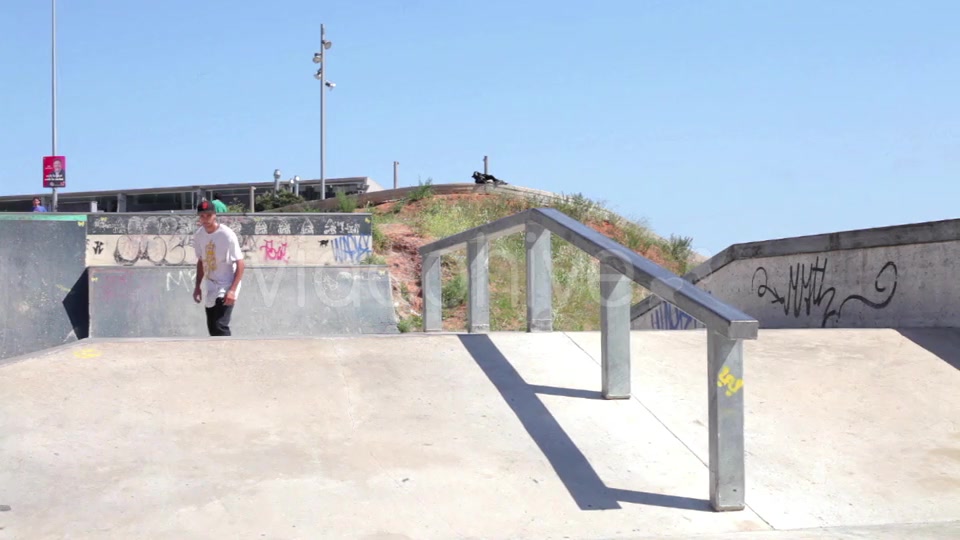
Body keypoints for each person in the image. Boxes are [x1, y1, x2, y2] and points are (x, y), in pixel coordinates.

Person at [192, 199, 245, 336]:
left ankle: (227, 354)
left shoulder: (227, 235)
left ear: (214, 215)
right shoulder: (199, 235)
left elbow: (240, 263)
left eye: (208, 215)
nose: (205, 219)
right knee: (212, 327)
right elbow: (201, 261)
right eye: (202, 216)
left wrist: (232, 290)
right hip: (211, 284)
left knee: (220, 325)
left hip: (227, 284)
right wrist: (197, 286)